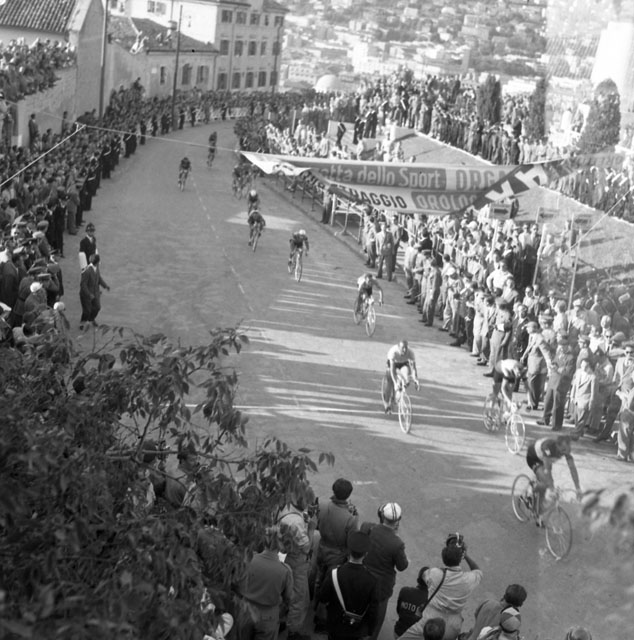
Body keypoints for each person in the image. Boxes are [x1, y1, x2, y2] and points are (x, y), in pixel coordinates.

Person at [398, 542, 482, 640]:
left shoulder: (435, 574)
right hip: (452, 627)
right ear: (460, 560)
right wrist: (465, 555)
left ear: (443, 559)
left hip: (430, 621)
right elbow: (478, 571)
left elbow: (423, 574)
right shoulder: (467, 580)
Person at [360, 502, 409, 640]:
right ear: (398, 520)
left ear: (382, 516)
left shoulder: (368, 527)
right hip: (382, 585)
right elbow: (402, 566)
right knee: (377, 617)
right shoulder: (397, 543)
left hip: (363, 577)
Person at [317, 530, 378, 640]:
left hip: (334, 626)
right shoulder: (372, 581)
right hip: (356, 629)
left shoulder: (334, 574)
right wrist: (370, 631)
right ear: (366, 554)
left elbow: (323, 597)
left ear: (349, 551)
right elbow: (373, 611)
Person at [238, 525, 293, 640]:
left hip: (245, 610)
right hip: (268, 616)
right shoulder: (285, 570)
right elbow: (288, 597)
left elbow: (239, 582)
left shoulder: (249, 559)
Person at [277, 489, 317, 640]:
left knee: (285, 593)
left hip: (285, 556)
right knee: (299, 599)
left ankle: (279, 621)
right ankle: (293, 632)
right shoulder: (295, 522)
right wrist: (311, 528)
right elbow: (306, 548)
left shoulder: (287, 509)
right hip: (296, 560)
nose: (309, 505)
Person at [525, 435, 582, 521]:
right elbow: (547, 470)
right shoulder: (548, 447)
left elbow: (572, 469)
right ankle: (530, 498)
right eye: (563, 450)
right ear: (557, 445)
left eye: (566, 451)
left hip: (544, 459)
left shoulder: (565, 450)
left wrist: (578, 488)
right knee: (546, 483)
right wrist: (552, 488)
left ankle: (537, 507)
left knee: (546, 484)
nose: (564, 453)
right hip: (533, 458)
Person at [383, 340, 420, 413]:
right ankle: (387, 403)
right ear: (398, 347)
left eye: (406, 347)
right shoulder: (393, 352)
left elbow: (413, 368)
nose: (404, 350)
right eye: (402, 348)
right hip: (393, 364)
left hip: (403, 364)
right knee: (390, 381)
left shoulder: (410, 352)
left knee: (407, 378)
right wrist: (395, 382)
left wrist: (416, 380)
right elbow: (392, 370)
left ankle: (399, 393)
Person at [394, 566, 430, 638]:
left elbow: (398, 610)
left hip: (398, 632)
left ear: (418, 579)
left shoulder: (404, 591)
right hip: (415, 636)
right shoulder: (430, 600)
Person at [79, 254, 110, 330]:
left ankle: (91, 319)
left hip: (95, 292)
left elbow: (98, 278)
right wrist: (89, 294)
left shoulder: (96, 267)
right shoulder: (87, 271)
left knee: (97, 307)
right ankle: (82, 322)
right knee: (87, 310)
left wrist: (105, 286)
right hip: (86, 295)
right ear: (97, 262)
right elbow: (83, 285)